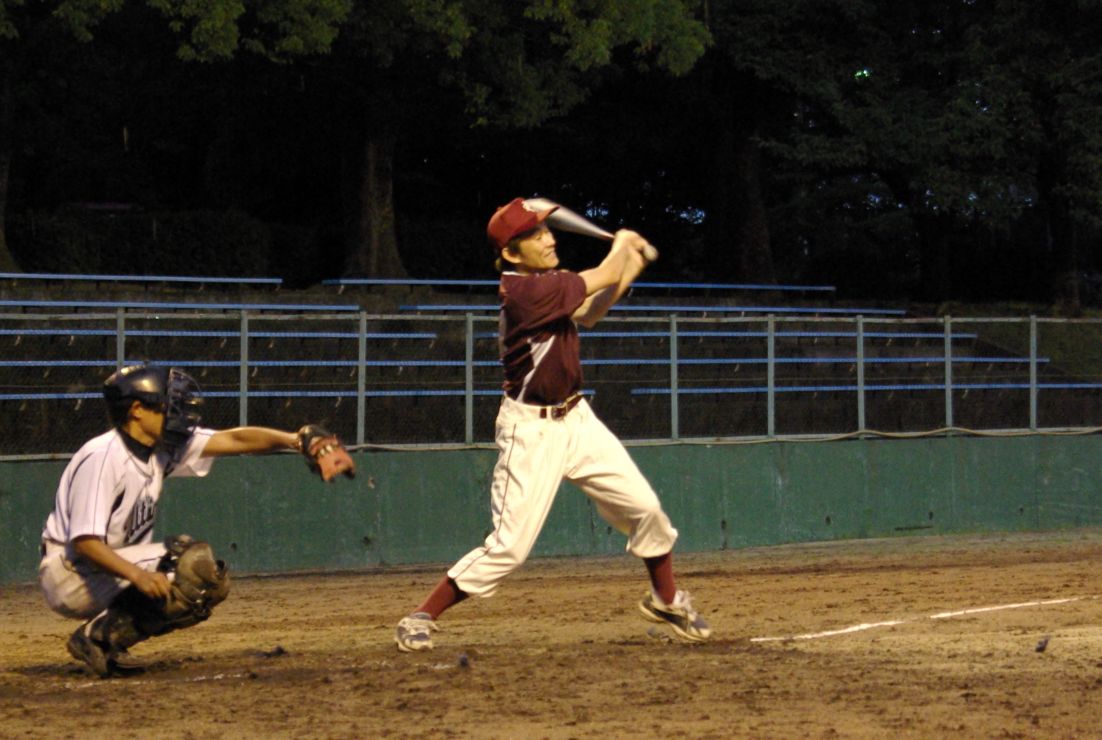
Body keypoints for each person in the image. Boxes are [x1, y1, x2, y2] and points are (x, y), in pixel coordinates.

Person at [394, 197, 711, 652]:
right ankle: (421, 614)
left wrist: (629, 267)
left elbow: (590, 311)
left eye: (546, 230)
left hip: (577, 420)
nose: (547, 239)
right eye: (534, 236)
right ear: (511, 253)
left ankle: (666, 600)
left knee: (646, 510)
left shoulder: (547, 284)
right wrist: (621, 247)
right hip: (531, 432)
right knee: (509, 548)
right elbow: (601, 274)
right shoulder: (524, 292)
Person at [39, 363, 354, 677]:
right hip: (72, 572)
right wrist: (138, 575)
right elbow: (86, 543)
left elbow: (234, 440)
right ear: (136, 410)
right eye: (166, 404)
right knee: (190, 564)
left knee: (208, 579)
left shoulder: (158, 446)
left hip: (104, 567)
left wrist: (298, 440)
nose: (176, 411)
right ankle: (97, 637)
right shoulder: (103, 456)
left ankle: (103, 639)